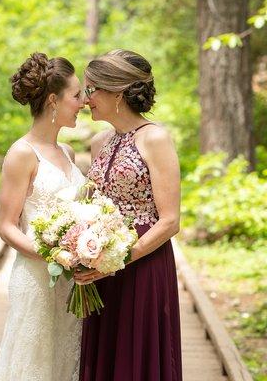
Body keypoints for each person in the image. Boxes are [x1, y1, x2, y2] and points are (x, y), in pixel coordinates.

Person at [74, 49, 182, 381]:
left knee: (138, 356)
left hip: (143, 262)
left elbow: (170, 220)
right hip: (100, 264)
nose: (85, 100)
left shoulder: (156, 138)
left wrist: (119, 258)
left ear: (117, 91)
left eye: (92, 90)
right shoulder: (98, 142)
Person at [0, 52, 85, 381]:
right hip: (36, 278)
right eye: (76, 95)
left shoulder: (68, 152)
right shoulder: (21, 153)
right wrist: (53, 254)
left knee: (66, 360)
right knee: (34, 364)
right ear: (53, 101)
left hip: (73, 282)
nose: (84, 102)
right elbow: (6, 227)